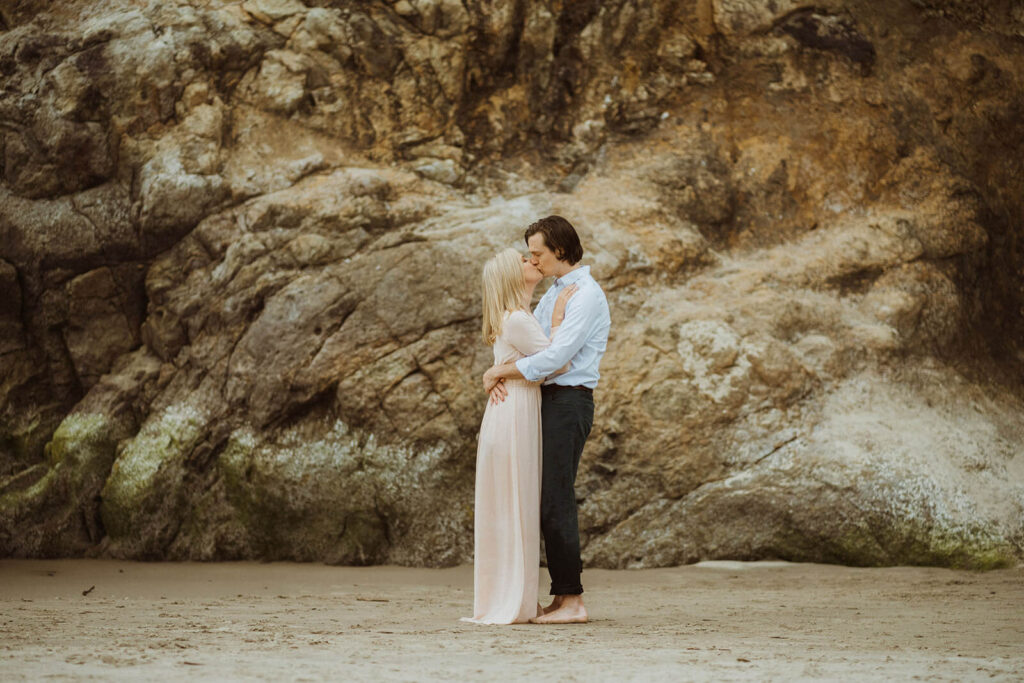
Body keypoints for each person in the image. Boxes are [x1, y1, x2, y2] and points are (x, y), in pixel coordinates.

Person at [483, 216, 611, 625]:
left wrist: (500, 372)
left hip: (569, 400)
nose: (533, 261)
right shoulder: (553, 292)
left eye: (537, 253)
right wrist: (503, 368)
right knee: (542, 499)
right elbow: (531, 350)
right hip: (545, 400)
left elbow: (556, 359)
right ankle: (559, 597)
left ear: (559, 249)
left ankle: (572, 600)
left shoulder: (586, 295)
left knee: (556, 497)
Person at [461, 248, 577, 625]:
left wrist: (498, 371)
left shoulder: (517, 317)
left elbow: (534, 366)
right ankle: (517, 601)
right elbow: (556, 362)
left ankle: (517, 599)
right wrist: (559, 318)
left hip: (511, 412)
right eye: (524, 261)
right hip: (514, 415)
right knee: (518, 506)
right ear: (513, 276)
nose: (532, 262)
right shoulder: (517, 320)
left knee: (513, 508)